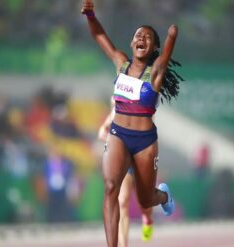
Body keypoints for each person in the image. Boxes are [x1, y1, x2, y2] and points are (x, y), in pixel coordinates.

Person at [82, 1, 183, 246]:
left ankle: (163, 196)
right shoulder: (121, 63)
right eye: (138, 35)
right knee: (110, 188)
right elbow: (99, 36)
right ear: (131, 42)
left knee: (145, 199)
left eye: (147, 37)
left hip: (144, 142)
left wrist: (171, 35)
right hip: (118, 135)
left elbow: (167, 53)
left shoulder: (156, 72)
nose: (141, 38)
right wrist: (91, 15)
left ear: (153, 47)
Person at [98, 99, 153, 246]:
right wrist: (104, 130)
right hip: (125, 153)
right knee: (123, 202)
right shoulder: (118, 97)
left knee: (145, 200)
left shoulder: (146, 92)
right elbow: (106, 125)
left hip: (142, 150)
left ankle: (147, 218)